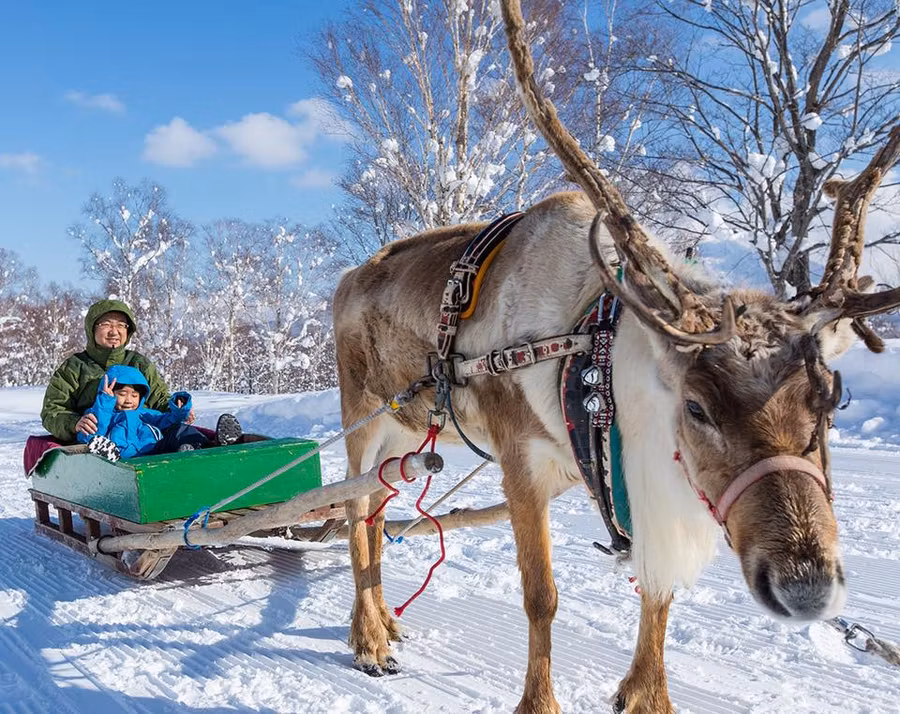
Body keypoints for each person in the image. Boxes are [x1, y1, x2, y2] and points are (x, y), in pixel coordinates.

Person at [41, 299, 177, 443]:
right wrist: (73, 423)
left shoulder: (139, 364)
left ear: (128, 331)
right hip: (91, 445)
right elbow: (52, 411)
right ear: (92, 329)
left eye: (121, 325)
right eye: (106, 324)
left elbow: (161, 401)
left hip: (141, 440)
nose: (114, 331)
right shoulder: (74, 367)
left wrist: (178, 409)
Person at [77, 365, 242, 462]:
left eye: (134, 395)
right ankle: (109, 459)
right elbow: (91, 433)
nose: (129, 400)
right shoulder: (103, 413)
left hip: (155, 451)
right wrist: (105, 402)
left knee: (178, 429)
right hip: (120, 457)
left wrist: (179, 409)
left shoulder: (144, 414)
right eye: (122, 394)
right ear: (112, 394)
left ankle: (204, 447)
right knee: (97, 442)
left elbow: (166, 421)